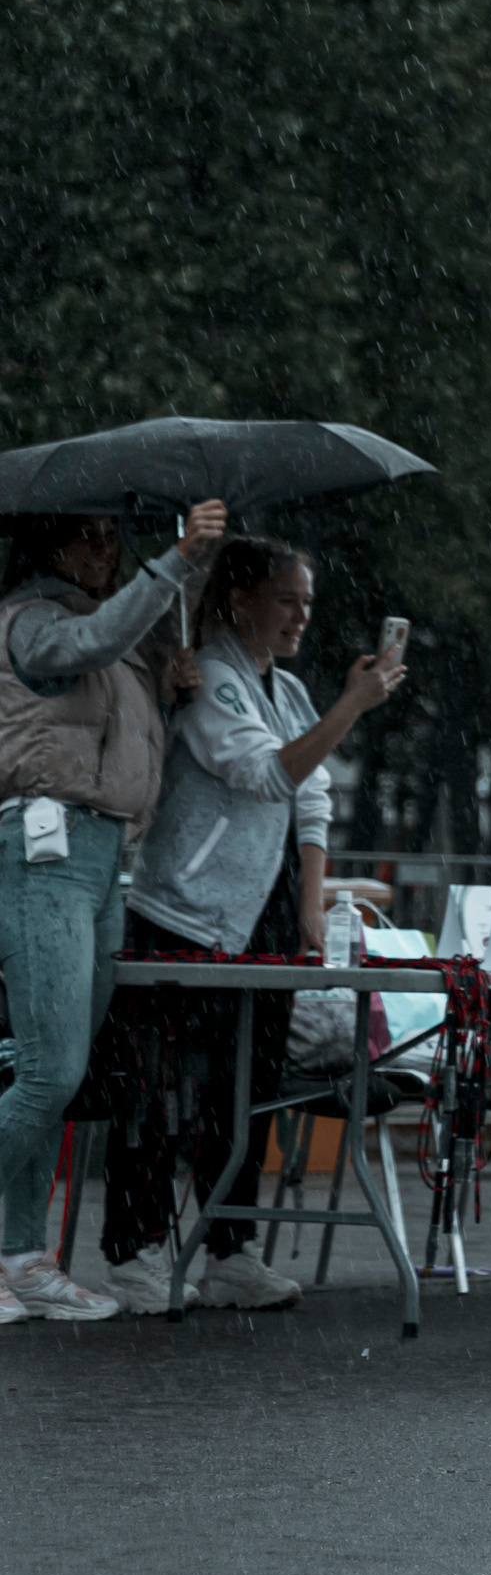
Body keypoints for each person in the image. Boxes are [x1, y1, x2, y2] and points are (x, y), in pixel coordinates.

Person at [98, 536, 404, 1314]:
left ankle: (231, 1245)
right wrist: (352, 706)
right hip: (183, 911)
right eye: (288, 598)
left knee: (248, 1086)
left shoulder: (289, 690)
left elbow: (311, 797)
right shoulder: (210, 679)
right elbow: (267, 772)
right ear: (240, 600)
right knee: (162, 1087)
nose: (302, 615)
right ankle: (136, 1252)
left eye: (309, 601)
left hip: (263, 913)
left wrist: (308, 903)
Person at [0, 501, 225, 1323]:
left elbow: (121, 738)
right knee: (49, 1072)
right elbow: (84, 651)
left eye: (112, 534)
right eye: (90, 533)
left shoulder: (108, 629)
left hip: (100, 857)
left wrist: (170, 683)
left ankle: (22, 1256)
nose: (106, 547)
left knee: (48, 1074)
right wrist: (171, 564)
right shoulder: (29, 620)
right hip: (44, 847)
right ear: (48, 541)